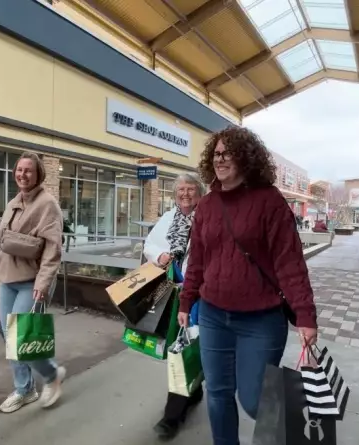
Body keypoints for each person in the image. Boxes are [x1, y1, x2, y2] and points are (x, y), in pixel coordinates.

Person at [178, 126, 318, 445]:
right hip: (214, 316)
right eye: (216, 154)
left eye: (228, 153)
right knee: (218, 393)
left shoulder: (269, 201)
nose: (220, 159)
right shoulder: (208, 205)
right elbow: (197, 259)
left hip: (261, 320)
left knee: (255, 400)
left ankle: (289, 431)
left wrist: (306, 315)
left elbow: (290, 263)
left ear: (246, 157)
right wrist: (187, 302)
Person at [0, 152, 65, 413]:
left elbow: (53, 249)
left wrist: (43, 283)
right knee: (9, 337)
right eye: (19, 170)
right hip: (7, 280)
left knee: (21, 337)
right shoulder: (14, 201)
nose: (22, 175)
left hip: (31, 281)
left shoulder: (47, 204)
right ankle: (25, 389)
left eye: (28, 171)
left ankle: (51, 374)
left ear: (38, 175)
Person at [142, 173, 207, 440]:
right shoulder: (169, 218)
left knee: (183, 347)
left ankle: (172, 416)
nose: (185, 194)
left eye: (191, 189)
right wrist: (161, 255)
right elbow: (150, 245)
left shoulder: (208, 217)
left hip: (200, 295)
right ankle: (194, 388)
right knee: (182, 346)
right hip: (173, 293)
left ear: (200, 193)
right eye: (181, 189)